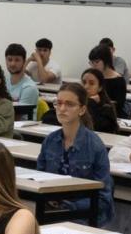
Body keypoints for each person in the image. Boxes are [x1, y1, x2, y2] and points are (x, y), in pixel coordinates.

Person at [36, 82, 113, 225]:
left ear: (82, 110)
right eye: (58, 103)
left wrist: (68, 206)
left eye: (69, 104)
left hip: (81, 215)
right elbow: (37, 180)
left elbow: (103, 198)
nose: (62, 109)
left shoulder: (95, 146)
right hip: (50, 209)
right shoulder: (50, 141)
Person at [75, 68, 121, 133]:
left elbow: (94, 127)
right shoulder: (76, 103)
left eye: (91, 83)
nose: (86, 87)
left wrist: (91, 103)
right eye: (84, 82)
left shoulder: (106, 108)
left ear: (100, 88)